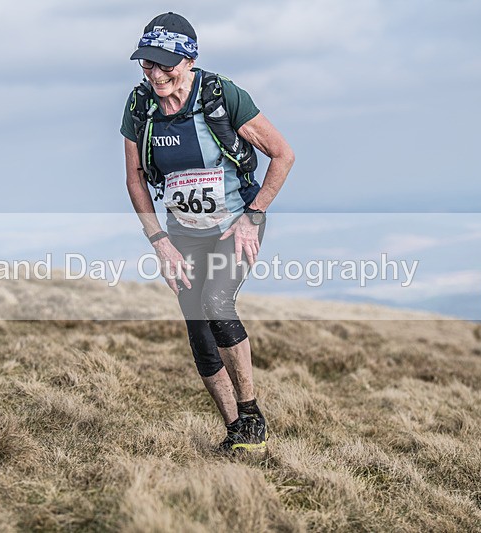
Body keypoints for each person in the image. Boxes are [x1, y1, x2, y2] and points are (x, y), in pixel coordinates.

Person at [120, 13, 294, 453]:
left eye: (165, 64)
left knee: (216, 303)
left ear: (189, 58)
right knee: (197, 330)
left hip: (233, 227)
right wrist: (159, 241)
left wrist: (253, 214)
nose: (156, 74)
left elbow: (283, 154)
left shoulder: (220, 95)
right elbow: (135, 180)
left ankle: (252, 413)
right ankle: (237, 430)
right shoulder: (140, 106)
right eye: (147, 64)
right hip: (181, 236)